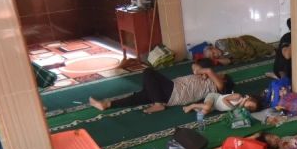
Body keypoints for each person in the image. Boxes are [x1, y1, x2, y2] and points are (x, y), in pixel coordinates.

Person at [89, 61, 231, 114]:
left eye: (222, 74)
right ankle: (107, 104)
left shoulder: (219, 86)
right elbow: (194, 65)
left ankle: (158, 104)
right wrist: (199, 71)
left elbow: (209, 71)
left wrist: (203, 72)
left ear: (223, 79)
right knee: (140, 96)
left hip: (175, 91)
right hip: (168, 93)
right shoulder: (206, 76)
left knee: (148, 72)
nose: (220, 73)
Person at [183, 92, 262, 115]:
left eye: (250, 108)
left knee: (204, 112)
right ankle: (191, 105)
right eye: (251, 105)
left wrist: (241, 105)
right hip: (215, 98)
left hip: (215, 107)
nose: (249, 107)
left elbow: (237, 110)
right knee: (207, 107)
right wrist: (232, 107)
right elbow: (224, 99)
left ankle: (197, 107)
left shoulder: (239, 106)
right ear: (249, 98)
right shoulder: (238, 96)